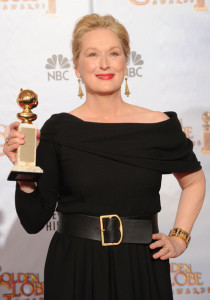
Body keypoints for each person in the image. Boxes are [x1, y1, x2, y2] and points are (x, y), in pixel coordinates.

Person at [3, 13, 205, 300]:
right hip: (75, 267)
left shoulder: (159, 126)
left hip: (141, 266)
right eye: (92, 54)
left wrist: (180, 237)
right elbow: (34, 221)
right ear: (76, 67)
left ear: (126, 61)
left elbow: (195, 181)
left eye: (114, 53)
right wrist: (23, 172)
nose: (104, 63)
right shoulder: (58, 130)